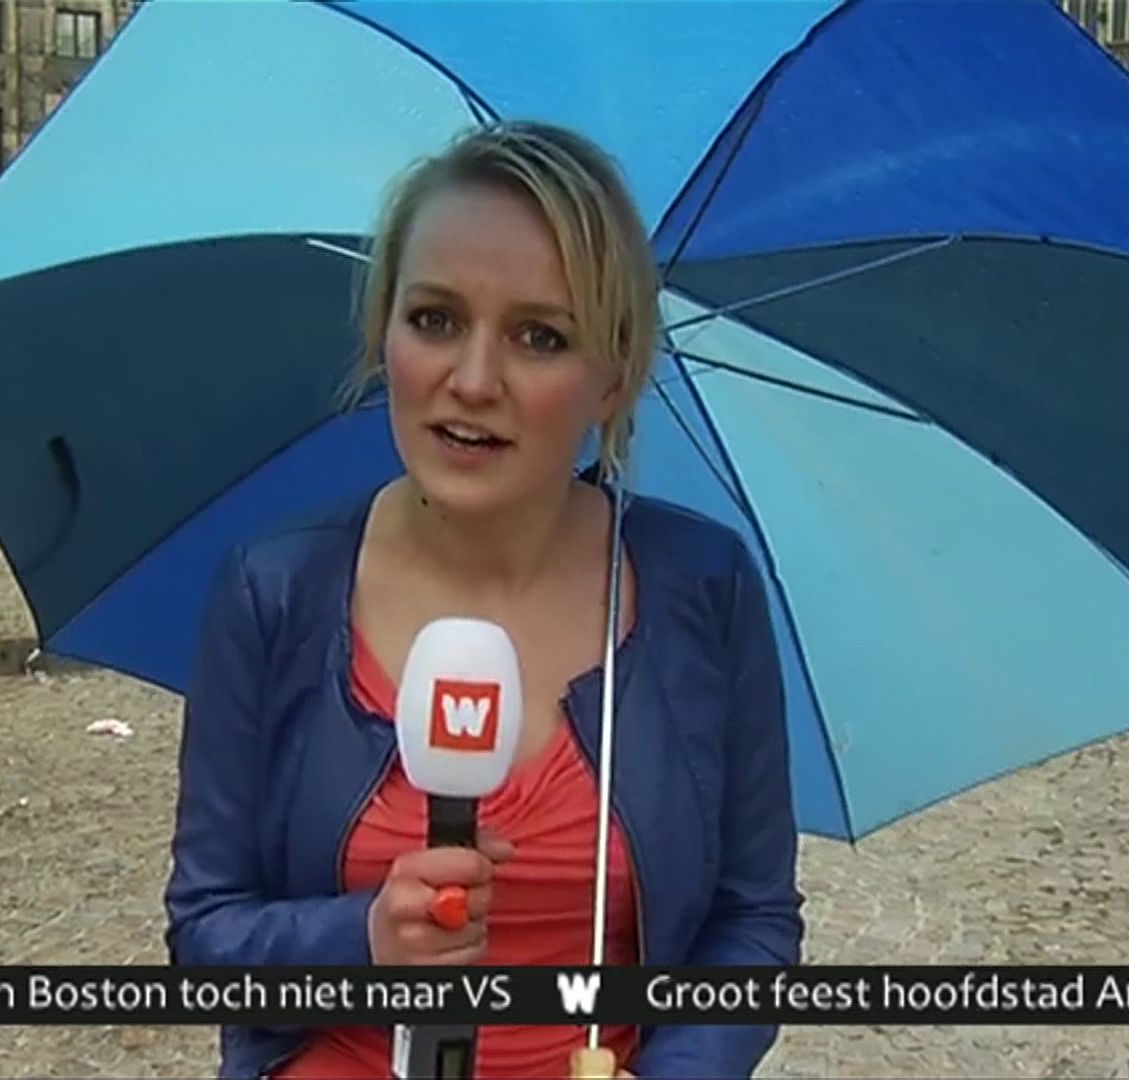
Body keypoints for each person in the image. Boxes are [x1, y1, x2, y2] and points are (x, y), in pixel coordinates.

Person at [163, 120, 804, 1080]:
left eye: (540, 336)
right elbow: (206, 936)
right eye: (434, 319)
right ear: (382, 334)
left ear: (613, 377)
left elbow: (752, 921)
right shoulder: (275, 589)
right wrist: (363, 939)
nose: (471, 380)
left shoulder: (703, 586)